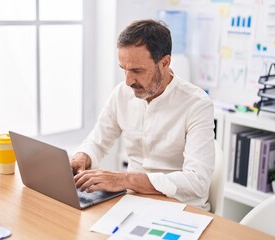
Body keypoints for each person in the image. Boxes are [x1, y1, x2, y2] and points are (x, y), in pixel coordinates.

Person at [70, 19, 215, 210]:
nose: (128, 81)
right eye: (124, 70)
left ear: (164, 62)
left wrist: (125, 179)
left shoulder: (197, 104)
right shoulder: (122, 93)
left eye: (137, 70)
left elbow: (197, 182)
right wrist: (82, 156)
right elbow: (97, 141)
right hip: (133, 203)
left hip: (181, 208)